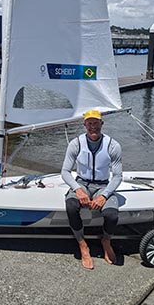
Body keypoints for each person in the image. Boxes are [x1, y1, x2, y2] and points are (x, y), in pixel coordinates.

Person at [61, 109, 123, 269]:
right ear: (84, 125)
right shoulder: (75, 144)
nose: (93, 126)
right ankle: (82, 244)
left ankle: (106, 240)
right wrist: (77, 189)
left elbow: (117, 176)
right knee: (71, 206)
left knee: (111, 215)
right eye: (89, 123)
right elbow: (65, 172)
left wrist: (104, 196)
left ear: (102, 124)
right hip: (82, 183)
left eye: (96, 123)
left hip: (102, 185)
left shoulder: (113, 145)